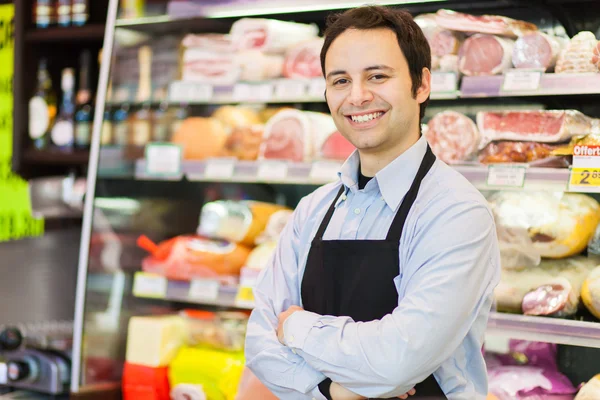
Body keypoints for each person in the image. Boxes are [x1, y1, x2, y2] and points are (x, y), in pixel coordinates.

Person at [244, 5, 501, 400]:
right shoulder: (313, 210)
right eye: (341, 80)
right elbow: (261, 343)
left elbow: (399, 359)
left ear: (422, 85)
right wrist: (333, 391)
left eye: (377, 76)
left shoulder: (455, 212)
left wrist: (297, 328)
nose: (358, 96)